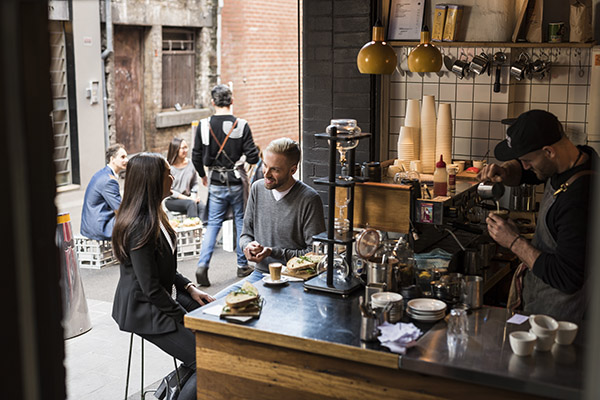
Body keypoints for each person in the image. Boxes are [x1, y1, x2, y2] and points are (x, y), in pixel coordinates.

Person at [478, 110, 597, 325]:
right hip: (540, 306)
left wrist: (513, 242)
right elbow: (526, 173)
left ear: (548, 151)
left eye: (527, 160)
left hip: (560, 322)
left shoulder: (580, 199)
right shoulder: (575, 157)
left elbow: (567, 277)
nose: (524, 166)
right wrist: (505, 171)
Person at [111, 153, 215, 400]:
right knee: (206, 359)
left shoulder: (157, 213)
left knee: (212, 332)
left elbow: (165, 269)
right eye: (167, 174)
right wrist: (185, 319)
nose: (172, 177)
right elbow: (151, 289)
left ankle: (170, 390)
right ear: (153, 181)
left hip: (158, 299)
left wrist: (189, 288)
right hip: (142, 309)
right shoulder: (139, 225)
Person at [213, 138, 326, 298]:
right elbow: (245, 234)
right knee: (208, 305)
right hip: (260, 276)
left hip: (294, 281)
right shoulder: (257, 188)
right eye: (265, 165)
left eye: (275, 170)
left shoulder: (309, 199)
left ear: (292, 170)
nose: (266, 173)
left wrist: (273, 252)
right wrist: (247, 246)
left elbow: (315, 255)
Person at [192, 84, 260, 286]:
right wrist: (244, 166)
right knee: (241, 220)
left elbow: (196, 156)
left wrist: (203, 175)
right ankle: (242, 264)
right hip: (236, 181)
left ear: (212, 103)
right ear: (231, 101)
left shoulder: (204, 125)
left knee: (213, 224)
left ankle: (203, 265)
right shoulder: (241, 124)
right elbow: (254, 156)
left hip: (215, 181)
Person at [80, 143, 128, 240]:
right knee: (135, 221)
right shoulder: (109, 180)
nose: (126, 160)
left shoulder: (103, 173)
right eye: (122, 157)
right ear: (112, 159)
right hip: (101, 227)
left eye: (126, 157)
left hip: (91, 225)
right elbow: (120, 209)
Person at [165, 137, 205, 219]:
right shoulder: (168, 167)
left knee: (202, 206)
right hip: (172, 200)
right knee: (191, 204)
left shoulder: (191, 164)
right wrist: (189, 199)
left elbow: (194, 183)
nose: (185, 150)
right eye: (183, 148)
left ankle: (204, 229)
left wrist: (193, 196)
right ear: (175, 149)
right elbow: (169, 190)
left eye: (186, 147)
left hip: (189, 198)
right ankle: (193, 228)